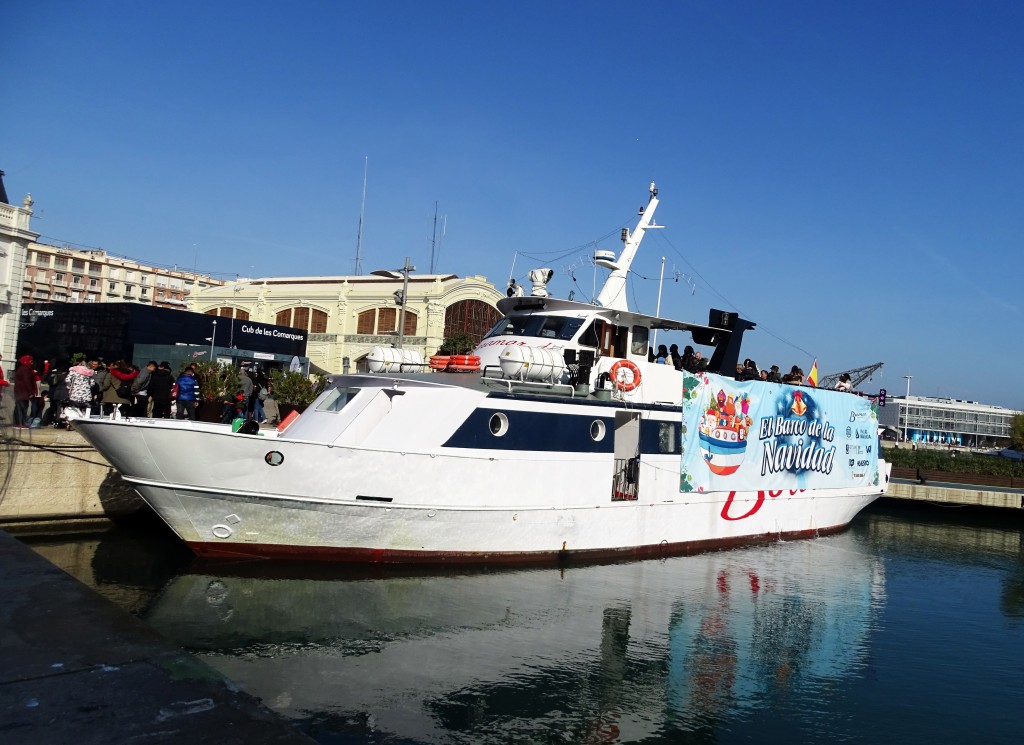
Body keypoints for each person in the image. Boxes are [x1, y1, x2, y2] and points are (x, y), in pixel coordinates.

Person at [13, 355, 38, 428]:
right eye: (31, 361)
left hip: (20, 391)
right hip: (23, 392)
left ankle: (19, 423)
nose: (32, 363)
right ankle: (20, 423)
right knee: (21, 408)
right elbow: (27, 381)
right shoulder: (25, 369)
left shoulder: (22, 368)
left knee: (20, 407)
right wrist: (31, 392)